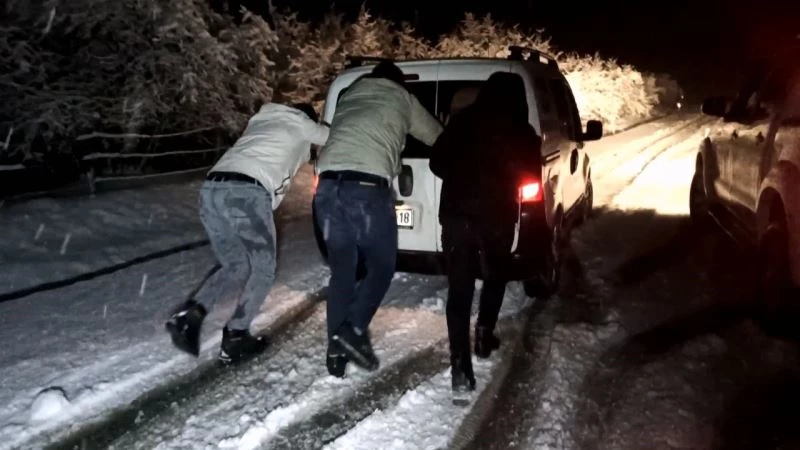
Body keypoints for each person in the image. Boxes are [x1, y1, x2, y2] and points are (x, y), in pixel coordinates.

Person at [166, 102, 329, 365]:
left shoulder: (261, 121)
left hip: (212, 190)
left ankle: (189, 317)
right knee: (263, 269)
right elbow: (334, 137)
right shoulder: (300, 123)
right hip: (246, 194)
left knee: (235, 265)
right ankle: (236, 336)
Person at [314, 61, 442, 377]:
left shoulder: (351, 93)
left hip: (328, 188)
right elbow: (436, 136)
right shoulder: (402, 98)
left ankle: (335, 354)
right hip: (367, 190)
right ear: (398, 82)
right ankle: (352, 329)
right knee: (381, 267)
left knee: (342, 271)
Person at [429, 72, 543, 394]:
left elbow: (437, 162)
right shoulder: (522, 131)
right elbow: (530, 175)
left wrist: (462, 171)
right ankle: (484, 333)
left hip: (456, 217)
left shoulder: (462, 122)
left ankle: (459, 366)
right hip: (496, 216)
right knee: (495, 274)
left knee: (459, 289)